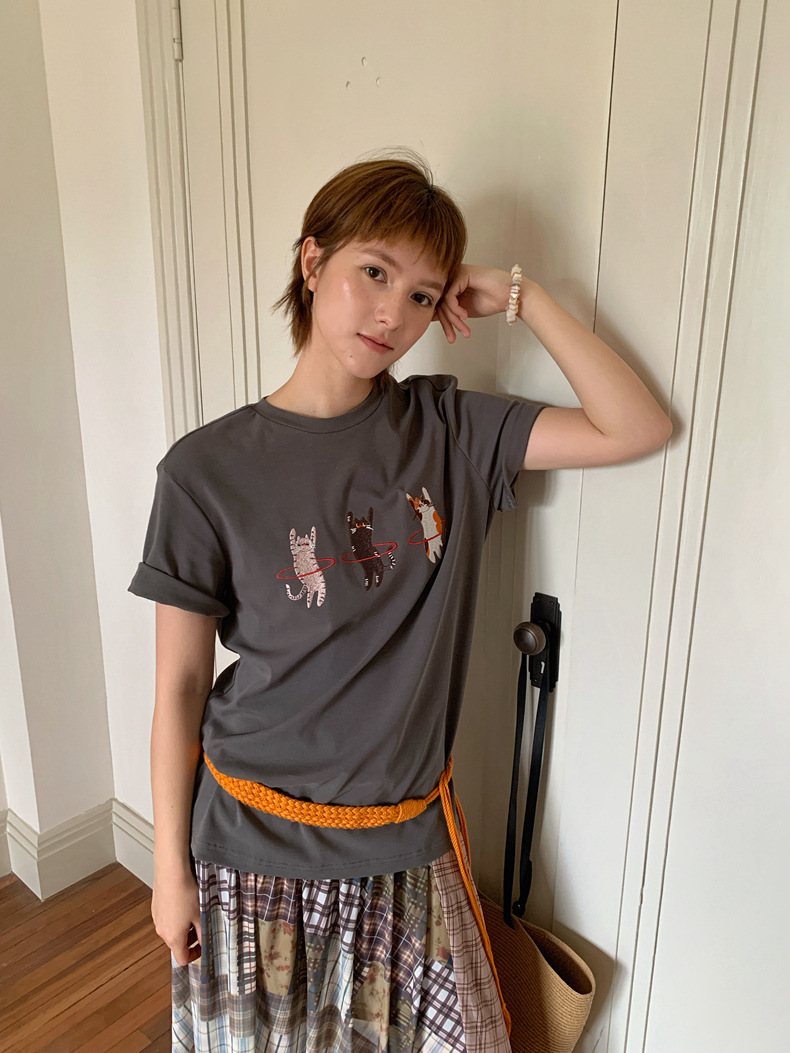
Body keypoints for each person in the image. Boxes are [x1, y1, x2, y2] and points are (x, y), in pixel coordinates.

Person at [129, 151, 672, 1053]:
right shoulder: (204, 471)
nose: (393, 314)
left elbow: (638, 426)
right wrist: (168, 868)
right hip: (246, 842)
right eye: (374, 273)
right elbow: (181, 687)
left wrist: (525, 298)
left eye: (423, 294)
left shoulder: (451, 431)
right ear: (313, 262)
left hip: (402, 849)